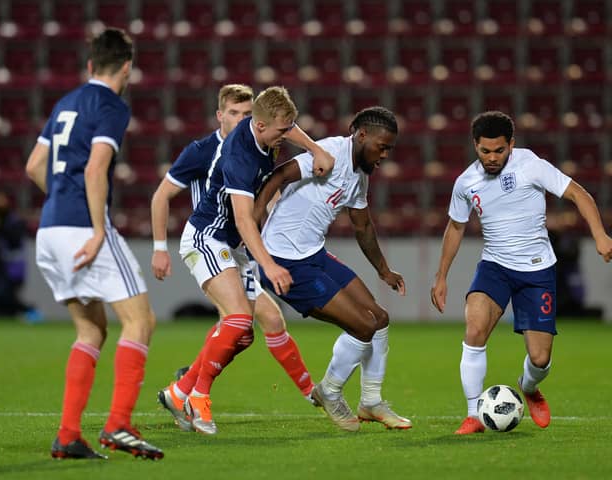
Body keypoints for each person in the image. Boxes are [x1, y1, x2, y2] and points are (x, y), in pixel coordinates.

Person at [161, 85, 334, 435]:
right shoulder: (239, 158)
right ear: (259, 126)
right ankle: (198, 396)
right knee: (239, 319)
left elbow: (287, 125)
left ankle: (178, 392)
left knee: (245, 333)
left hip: (233, 246)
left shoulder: (264, 130)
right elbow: (243, 219)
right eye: (282, 131)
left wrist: (315, 148)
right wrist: (269, 264)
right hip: (207, 237)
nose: (286, 137)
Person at [25, 27, 163, 459]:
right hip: (85, 229)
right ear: (127, 66)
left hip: (49, 230)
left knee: (91, 328)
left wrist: (61, 203)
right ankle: (119, 424)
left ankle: (68, 435)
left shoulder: (65, 103)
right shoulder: (111, 106)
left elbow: (33, 167)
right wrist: (99, 229)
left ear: (89, 66)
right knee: (140, 322)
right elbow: (95, 169)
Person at [429, 111, 612, 435]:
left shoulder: (530, 164)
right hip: (494, 267)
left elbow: (577, 194)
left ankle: (528, 388)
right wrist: (441, 275)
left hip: (537, 271)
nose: (492, 158)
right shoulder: (466, 182)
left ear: (511, 145)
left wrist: (599, 235)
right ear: (475, 146)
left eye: (499, 150)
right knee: (474, 331)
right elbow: (455, 227)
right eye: (485, 151)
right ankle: (474, 415)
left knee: (540, 359)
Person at [255, 106, 412, 432]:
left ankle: (370, 401)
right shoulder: (330, 153)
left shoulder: (360, 174)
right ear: (361, 135)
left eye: (389, 149)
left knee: (379, 320)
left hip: (314, 254)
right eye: (381, 147)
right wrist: (251, 224)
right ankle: (328, 390)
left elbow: (363, 225)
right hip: (284, 260)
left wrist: (384, 270)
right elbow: (280, 175)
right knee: (363, 328)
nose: (384, 154)